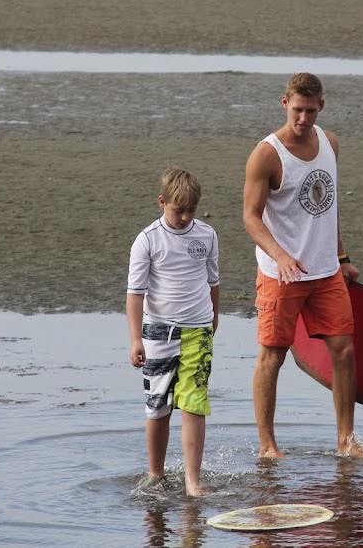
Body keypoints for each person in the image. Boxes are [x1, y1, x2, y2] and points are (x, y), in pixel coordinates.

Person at [242, 72, 363, 459]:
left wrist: (343, 258)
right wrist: (280, 255)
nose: (303, 118)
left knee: (345, 351)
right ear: (285, 104)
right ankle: (268, 447)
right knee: (273, 354)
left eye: (310, 111)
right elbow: (251, 218)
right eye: (297, 110)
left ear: (321, 105)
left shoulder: (330, 144)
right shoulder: (267, 154)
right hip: (279, 275)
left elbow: (328, 210)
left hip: (325, 271)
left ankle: (346, 441)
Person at [126, 168, 220, 496]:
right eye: (177, 209)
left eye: (190, 210)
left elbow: (213, 282)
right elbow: (135, 293)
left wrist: (214, 318)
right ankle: (156, 474)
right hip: (157, 334)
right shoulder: (148, 239)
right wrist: (135, 339)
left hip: (198, 330)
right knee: (158, 406)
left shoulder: (207, 235)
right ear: (162, 202)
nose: (184, 217)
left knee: (194, 403)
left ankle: (193, 483)